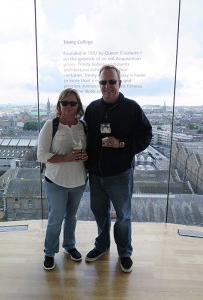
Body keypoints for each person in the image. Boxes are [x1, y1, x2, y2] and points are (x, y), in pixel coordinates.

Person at [84, 65, 152, 273]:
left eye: (111, 81)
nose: (107, 86)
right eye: (103, 82)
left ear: (119, 83)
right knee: (99, 212)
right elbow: (86, 138)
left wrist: (121, 143)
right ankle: (102, 246)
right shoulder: (92, 108)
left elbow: (145, 136)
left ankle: (124, 253)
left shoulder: (132, 108)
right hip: (96, 174)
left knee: (123, 215)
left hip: (121, 174)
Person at [37, 88, 88, 270]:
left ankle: (69, 246)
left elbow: (88, 151)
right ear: (59, 105)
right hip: (56, 181)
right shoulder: (51, 125)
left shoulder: (83, 126)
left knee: (72, 217)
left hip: (79, 180)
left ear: (78, 106)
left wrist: (85, 156)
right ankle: (49, 252)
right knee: (55, 219)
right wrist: (65, 158)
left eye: (72, 103)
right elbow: (41, 155)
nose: (68, 106)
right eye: (64, 102)